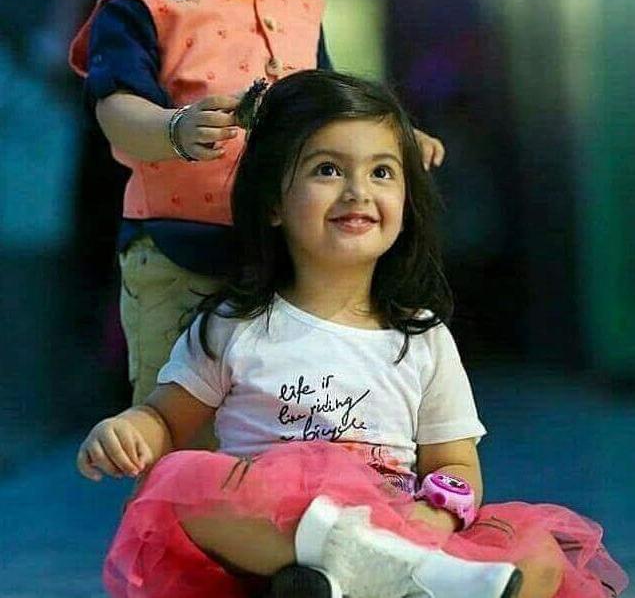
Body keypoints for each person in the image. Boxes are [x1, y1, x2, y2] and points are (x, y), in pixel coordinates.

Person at [77, 71, 627, 598]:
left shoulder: (420, 337)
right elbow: (165, 420)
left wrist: (433, 518)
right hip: (276, 547)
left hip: (400, 527)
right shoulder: (235, 324)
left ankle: (392, 573)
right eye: (327, 170)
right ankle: (389, 581)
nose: (358, 192)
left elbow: (455, 464)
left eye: (382, 173)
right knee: (182, 477)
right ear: (273, 202)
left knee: (540, 555)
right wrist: (127, 431)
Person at [67, 0, 446, 408]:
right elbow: (115, 108)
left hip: (288, 251)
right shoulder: (133, 6)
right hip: (180, 251)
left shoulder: (296, 2)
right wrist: (173, 128)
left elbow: (331, 109)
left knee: (284, 407)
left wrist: (392, 140)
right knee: (176, 411)